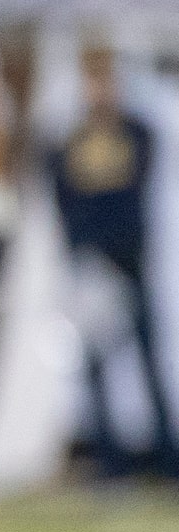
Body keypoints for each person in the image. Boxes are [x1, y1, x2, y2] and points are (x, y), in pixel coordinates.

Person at [50, 44, 177, 477]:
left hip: (128, 255)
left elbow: (128, 190)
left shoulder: (135, 130)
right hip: (93, 261)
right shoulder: (72, 137)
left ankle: (165, 457)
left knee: (147, 354)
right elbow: (67, 197)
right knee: (96, 362)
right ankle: (110, 462)